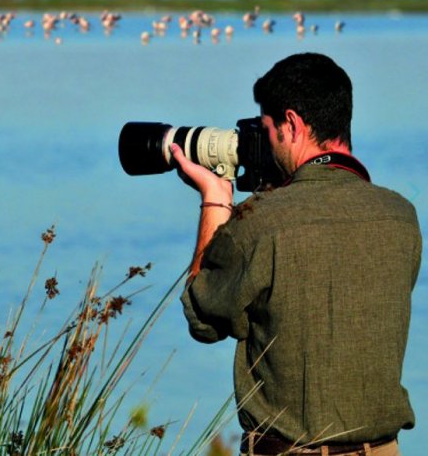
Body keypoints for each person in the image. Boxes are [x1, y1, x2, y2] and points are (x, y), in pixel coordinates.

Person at [172, 53, 421, 455]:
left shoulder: (262, 222)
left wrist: (215, 202)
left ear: (292, 124)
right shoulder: (401, 217)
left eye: (267, 129)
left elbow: (204, 320)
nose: (265, 142)